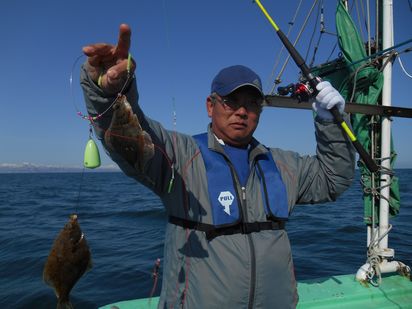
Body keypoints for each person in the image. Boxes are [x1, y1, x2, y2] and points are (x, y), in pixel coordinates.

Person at [81, 24, 355, 309]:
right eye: (230, 101)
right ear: (210, 106)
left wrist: (331, 121)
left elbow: (333, 179)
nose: (241, 111)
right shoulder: (180, 156)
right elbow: (129, 137)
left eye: (251, 104)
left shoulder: (284, 165)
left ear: (259, 111)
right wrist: (110, 94)